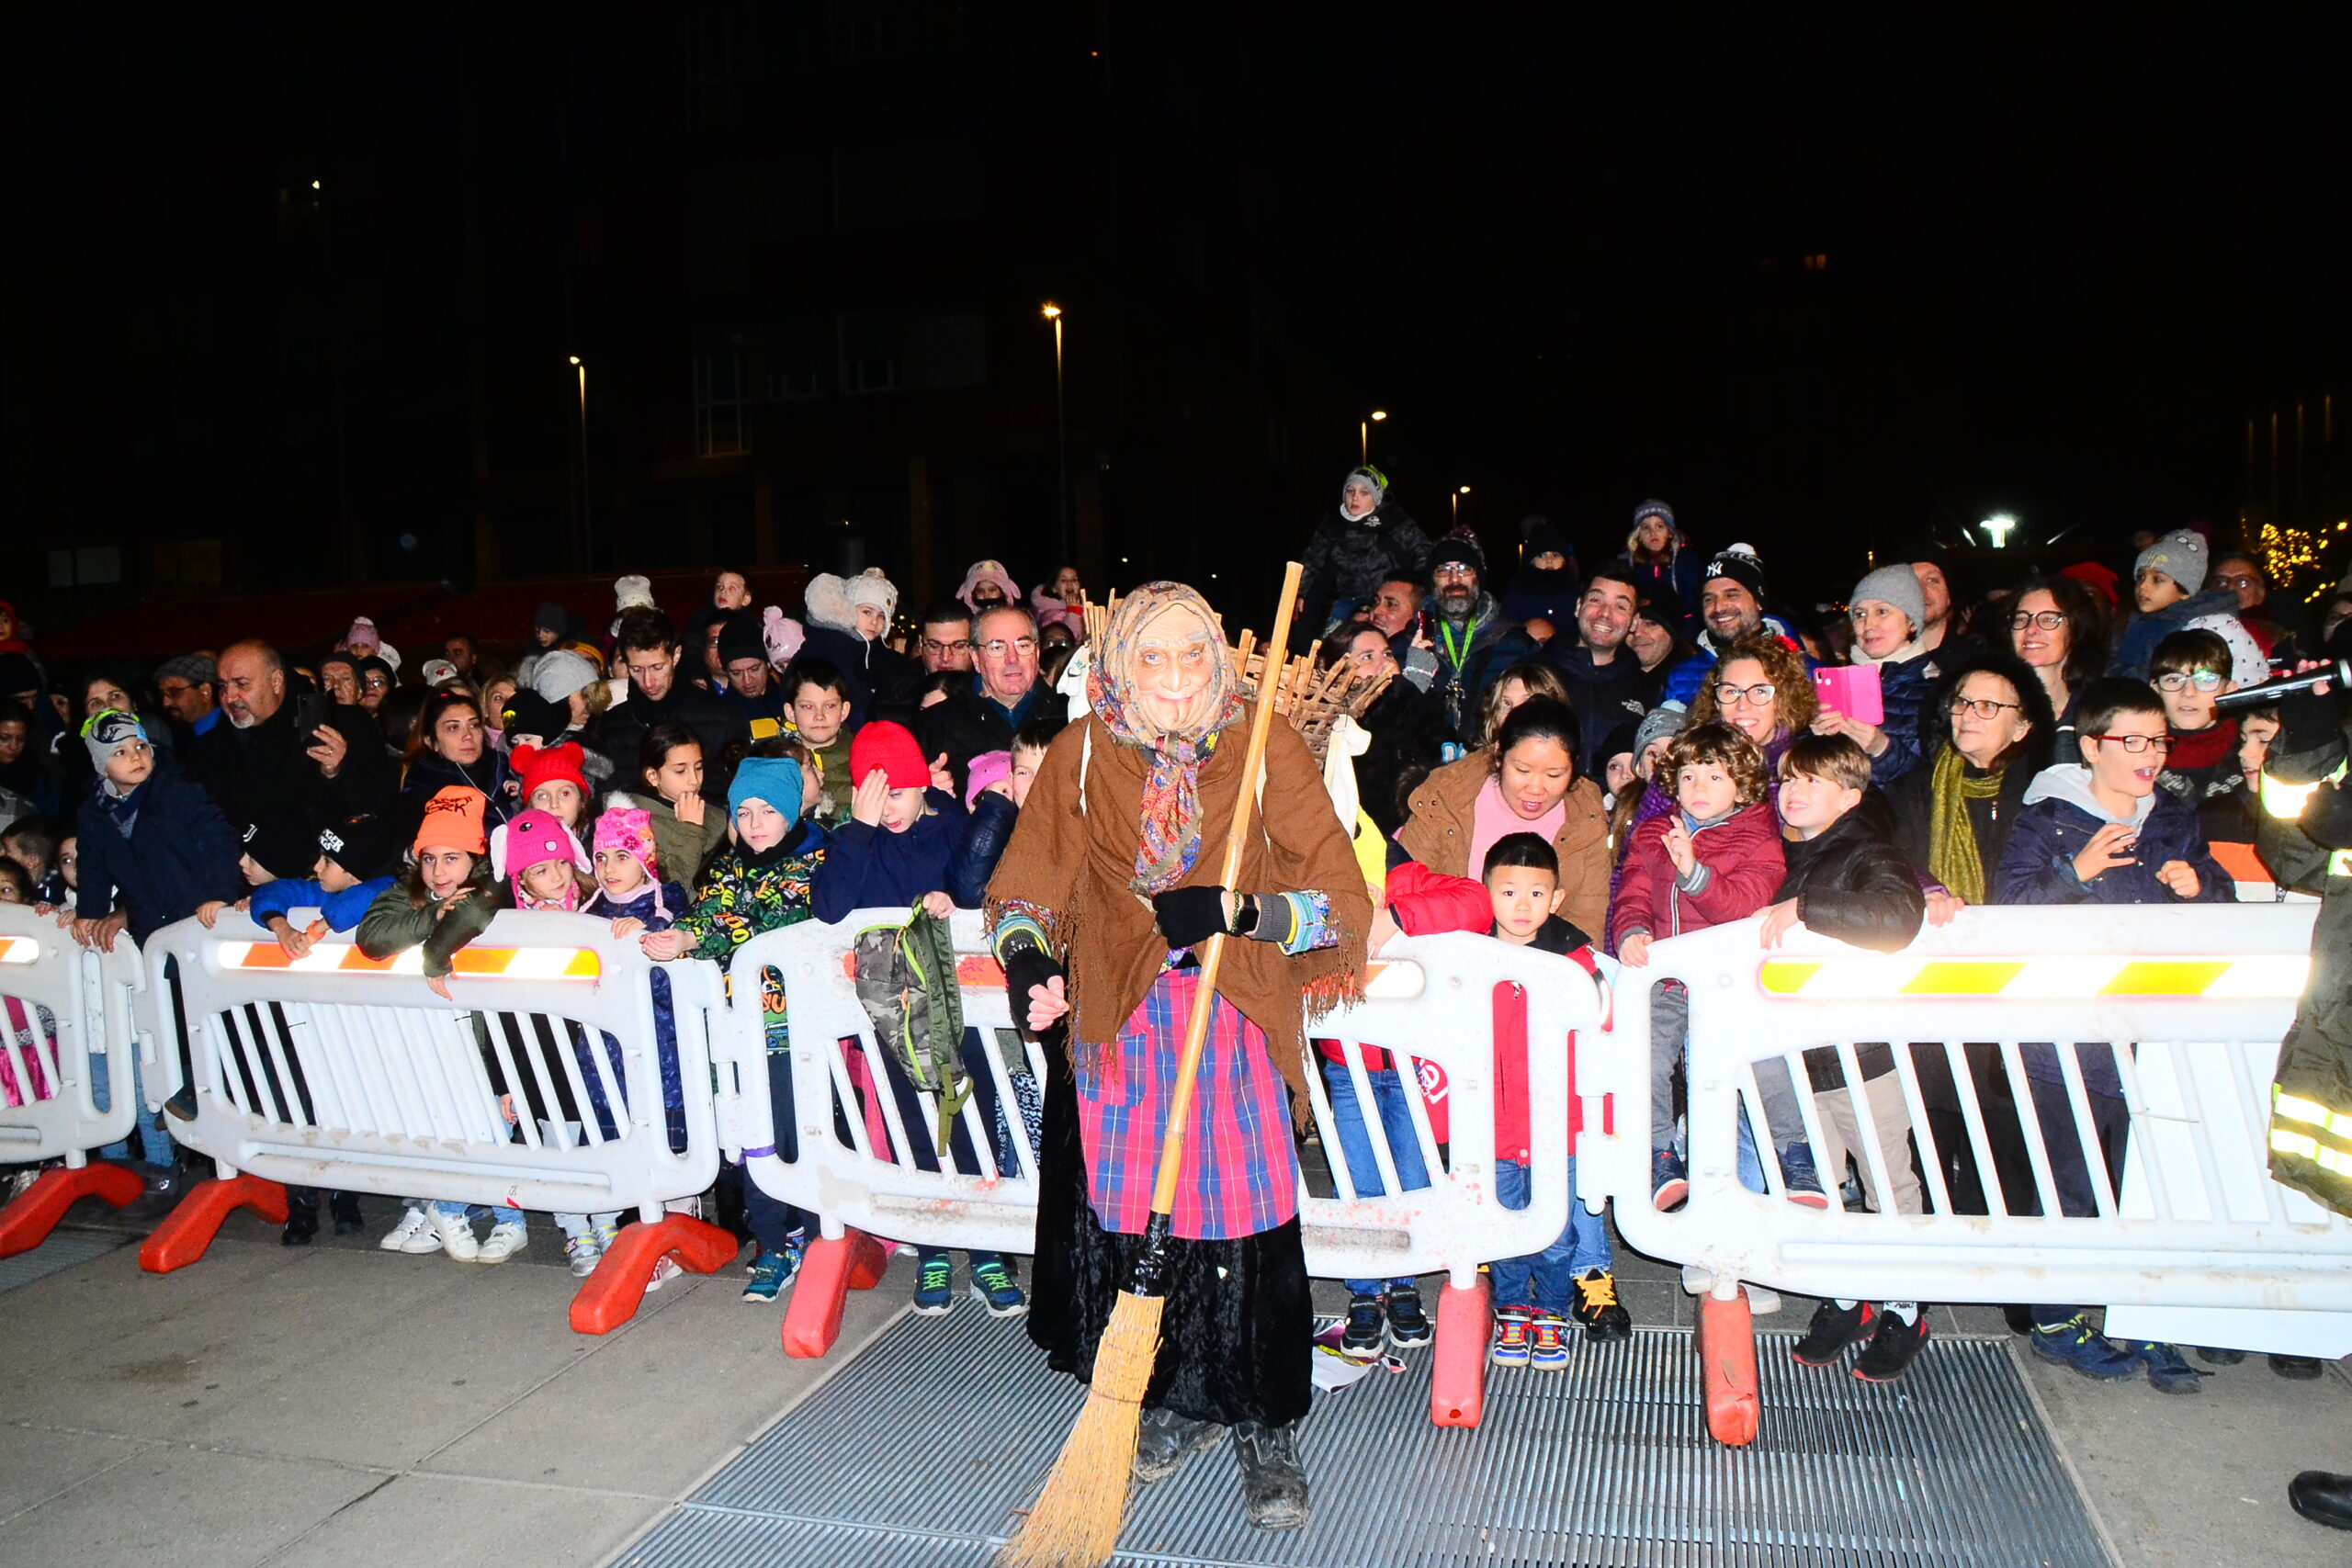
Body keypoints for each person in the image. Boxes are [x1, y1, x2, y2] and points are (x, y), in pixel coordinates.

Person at [985, 581, 1370, 1529]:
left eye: (1190, 655)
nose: (1171, 676)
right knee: (1135, 1219)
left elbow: (1341, 898)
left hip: (1230, 1010)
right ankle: (1173, 1395)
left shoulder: (1261, 746)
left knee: (1240, 1216)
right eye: (1149, 656)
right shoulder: (1078, 757)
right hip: (1123, 1017)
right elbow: (1022, 892)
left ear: (1219, 662)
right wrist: (1031, 956)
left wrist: (1242, 912)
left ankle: (1262, 1419)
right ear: (1116, 666)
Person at [1992, 677, 2226, 1392]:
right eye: (2133, 740)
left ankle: (2143, 1314)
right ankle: (2057, 1317)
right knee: (2070, 1182)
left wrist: (2202, 885)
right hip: (2066, 1037)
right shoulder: (2049, 816)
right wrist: (2078, 871)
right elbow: (2007, 907)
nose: (2150, 754)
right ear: (2093, 745)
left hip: (2155, 1035)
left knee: (2149, 1182)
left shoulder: (2175, 818)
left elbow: (2220, 895)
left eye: (2158, 741)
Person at [1384, 833, 1629, 1369]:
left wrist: (1600, 1125)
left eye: (1536, 894)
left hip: (1557, 1127)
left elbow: (1601, 1050)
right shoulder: (1466, 960)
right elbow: (1439, 1044)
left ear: (1556, 899)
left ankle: (1555, 1310)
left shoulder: (1578, 963)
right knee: (1502, 1222)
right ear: (1485, 893)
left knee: (1558, 1228)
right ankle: (1514, 1307)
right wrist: (1445, 1120)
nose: (1522, 906)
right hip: (1489, 1128)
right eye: (1509, 891)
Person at [811, 719, 1025, 1317]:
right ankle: (932, 1242)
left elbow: (985, 879)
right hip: (895, 1009)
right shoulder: (860, 837)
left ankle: (984, 1246)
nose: (891, 811)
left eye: (898, 795)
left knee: (973, 1115)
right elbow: (829, 905)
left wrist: (956, 901)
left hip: (964, 1006)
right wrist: (859, 827)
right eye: (876, 799)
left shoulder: (949, 827)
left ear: (921, 787)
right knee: (912, 1123)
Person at [1765, 735, 1932, 1382]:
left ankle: (1906, 1304)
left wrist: (1806, 909)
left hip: (1861, 1052)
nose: (1794, 790)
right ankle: (1848, 1292)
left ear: (1851, 796)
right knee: (1829, 1183)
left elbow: (1896, 915)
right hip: (1807, 1052)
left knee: (1889, 1181)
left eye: (1811, 781)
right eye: (1788, 780)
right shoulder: (1799, 849)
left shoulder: (1865, 845)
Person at [641, 755, 831, 1303]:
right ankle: (773, 1242)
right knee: (755, 1138)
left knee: (800, 1135)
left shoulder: (817, 857)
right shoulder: (729, 865)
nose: (754, 824)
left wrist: (698, 936)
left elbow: (775, 918)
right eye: (744, 812)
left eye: (768, 810)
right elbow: (714, 909)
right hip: (740, 1032)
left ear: (792, 810)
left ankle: (820, 1233)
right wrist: (678, 934)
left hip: (797, 1032)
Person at [1613, 722, 1805, 1209]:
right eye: (1689, 778)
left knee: (1766, 1059)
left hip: (1730, 977)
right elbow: (1633, 891)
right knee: (1644, 1055)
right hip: (1669, 977)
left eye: (1715, 778)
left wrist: (1695, 873)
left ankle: (1793, 1153)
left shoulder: (1758, 837)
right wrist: (1632, 931)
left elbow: (1743, 906)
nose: (1699, 788)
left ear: (1741, 785)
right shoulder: (1654, 832)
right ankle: (1658, 1152)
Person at [356, 786, 528, 1262]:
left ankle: (497, 1215)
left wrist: (434, 955)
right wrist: (433, 915)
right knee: (440, 1125)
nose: (438, 871)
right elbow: (371, 937)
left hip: (483, 1036)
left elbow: (476, 910)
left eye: (452, 858)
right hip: (425, 1040)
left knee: (490, 1125)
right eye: (428, 858)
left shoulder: (492, 886)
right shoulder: (409, 892)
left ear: (475, 856)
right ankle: (436, 1203)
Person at [1397, 695, 1612, 941]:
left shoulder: (1587, 820)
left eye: (1554, 775)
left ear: (1573, 768)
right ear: (1499, 755)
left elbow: (1588, 923)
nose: (1535, 788)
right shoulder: (1445, 800)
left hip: (1543, 965)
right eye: (1522, 770)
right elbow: (1404, 891)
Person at [188, 640, 397, 833]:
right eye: (223, 686)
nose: (229, 697)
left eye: (241, 684)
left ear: (276, 681)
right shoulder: (211, 746)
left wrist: (339, 772)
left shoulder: (341, 722)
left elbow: (380, 803)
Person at [594, 609, 748, 802]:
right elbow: (604, 801)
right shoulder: (610, 726)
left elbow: (738, 797)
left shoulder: (725, 717)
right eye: (636, 669)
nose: (648, 682)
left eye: (657, 668)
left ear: (676, 656)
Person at [916, 604, 1068, 798]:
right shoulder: (935, 724)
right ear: (975, 658)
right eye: (997, 647)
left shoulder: (1069, 716)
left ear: (1037, 654)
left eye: (1023, 645)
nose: (1012, 659)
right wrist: (924, 794)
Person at [1813, 564, 1941, 786]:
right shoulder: (1835, 683)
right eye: (1860, 614)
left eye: (1882, 612)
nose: (1868, 625)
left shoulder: (1937, 689)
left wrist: (1883, 749)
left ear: (1911, 621)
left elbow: (1938, 779)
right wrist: (1816, 738)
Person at [1541, 563, 1662, 775]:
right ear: (1579, 606)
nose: (1605, 614)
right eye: (1596, 600)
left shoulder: (1648, 690)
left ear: (1634, 622)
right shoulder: (1533, 673)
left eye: (1620, 606)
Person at [2147, 627, 2257, 852]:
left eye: (2206, 679)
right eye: (2173, 679)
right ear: (2155, 689)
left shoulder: (2255, 750)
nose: (2188, 692)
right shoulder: (2135, 755)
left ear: (2230, 689)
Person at [1657, 544, 1807, 706]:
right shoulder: (1680, 677)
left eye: (1731, 595)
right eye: (1709, 599)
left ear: (1758, 601)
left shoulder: (1803, 669)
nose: (1718, 607)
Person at [1425, 531, 1535, 745]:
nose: (1454, 579)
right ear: (1431, 579)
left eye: (1465, 569)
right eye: (1443, 570)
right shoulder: (1409, 642)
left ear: (1479, 576)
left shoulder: (1516, 645)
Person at [1299, 466, 1435, 635]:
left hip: (1387, 599)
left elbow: (1423, 551)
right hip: (1349, 599)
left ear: (1376, 498)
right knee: (1334, 637)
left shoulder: (1393, 519)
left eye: (1364, 492)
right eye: (1350, 491)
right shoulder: (1332, 525)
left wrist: (1417, 589)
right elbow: (1312, 561)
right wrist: (1300, 593)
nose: (1355, 497)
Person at [606, 722, 729, 889]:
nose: (694, 780)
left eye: (699, 768)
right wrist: (690, 829)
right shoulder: (634, 825)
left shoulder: (716, 814)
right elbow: (671, 888)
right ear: (653, 776)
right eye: (680, 771)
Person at [2004, 571, 2109, 757]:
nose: (2031, 630)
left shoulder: (2098, 714)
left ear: (2075, 629)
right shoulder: (1991, 708)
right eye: (2021, 618)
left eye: (2048, 619)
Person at [2111, 528, 2238, 682]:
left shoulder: (2188, 629)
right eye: (2140, 577)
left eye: (2158, 580)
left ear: (2185, 590)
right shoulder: (2147, 624)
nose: (2143, 586)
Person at [398, 689, 514, 842]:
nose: (467, 736)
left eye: (474, 725)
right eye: (453, 728)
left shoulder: (502, 766)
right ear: (432, 742)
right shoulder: (423, 784)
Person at [798, 569, 914, 723]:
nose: (875, 622)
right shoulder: (828, 649)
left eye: (881, 616)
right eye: (867, 612)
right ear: (848, 610)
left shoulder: (882, 657)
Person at [1499, 516, 1582, 630]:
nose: (1549, 560)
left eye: (1555, 555)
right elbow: (1507, 623)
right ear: (1531, 561)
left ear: (1564, 559)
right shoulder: (1519, 588)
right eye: (1541, 555)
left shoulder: (1573, 589)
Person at [1621, 500, 1702, 615]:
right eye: (1645, 528)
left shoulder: (1686, 560)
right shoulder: (1630, 565)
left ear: (1670, 532)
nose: (1652, 533)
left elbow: (1694, 605)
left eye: (1659, 526)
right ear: (1638, 536)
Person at [716, 615, 789, 728]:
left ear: (768, 664)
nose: (747, 680)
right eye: (736, 673)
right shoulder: (721, 717)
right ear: (725, 672)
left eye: (754, 669)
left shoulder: (792, 700)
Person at [153, 654, 221, 744]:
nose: (165, 703)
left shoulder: (229, 734)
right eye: (162, 695)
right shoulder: (180, 735)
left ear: (205, 691)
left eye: (174, 693)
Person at [915, 599, 976, 675]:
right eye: (935, 646)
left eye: (958, 646)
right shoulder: (901, 684)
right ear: (921, 644)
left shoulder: (988, 682)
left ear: (974, 648)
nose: (945, 658)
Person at [957, 558, 1023, 615]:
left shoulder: (1013, 617)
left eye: (992, 590)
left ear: (1003, 592)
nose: (986, 595)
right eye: (980, 591)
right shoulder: (967, 619)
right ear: (972, 594)